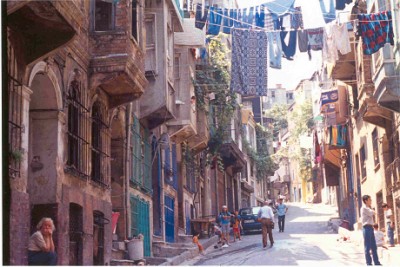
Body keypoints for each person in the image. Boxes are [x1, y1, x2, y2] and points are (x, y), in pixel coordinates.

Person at [360, 195, 381, 265]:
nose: (371, 201)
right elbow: (372, 212)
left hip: (370, 228)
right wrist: (375, 212)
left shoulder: (368, 208)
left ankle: (376, 262)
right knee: (367, 246)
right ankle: (368, 263)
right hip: (366, 228)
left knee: (374, 246)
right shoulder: (364, 208)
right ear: (366, 201)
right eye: (370, 200)